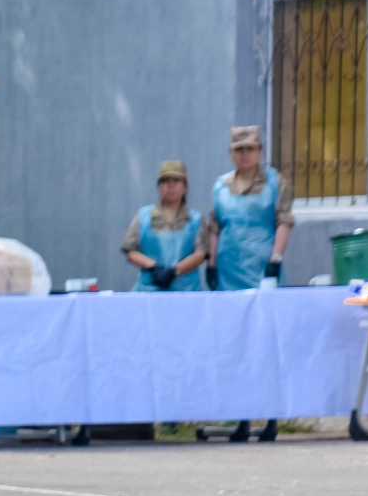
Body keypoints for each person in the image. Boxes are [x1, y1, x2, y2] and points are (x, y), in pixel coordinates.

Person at [206, 125, 294, 443]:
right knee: (234, 345)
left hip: (262, 270)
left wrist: (276, 259)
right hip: (228, 271)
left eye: (250, 148)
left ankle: (270, 418)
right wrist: (211, 263)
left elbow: (284, 220)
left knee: (265, 342)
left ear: (260, 151)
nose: (244, 154)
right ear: (231, 153)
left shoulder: (276, 182)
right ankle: (241, 419)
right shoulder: (220, 186)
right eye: (238, 149)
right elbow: (215, 225)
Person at [122, 160, 206, 291]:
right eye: (165, 181)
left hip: (187, 294)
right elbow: (130, 251)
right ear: (158, 186)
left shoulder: (196, 219)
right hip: (148, 291)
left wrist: (174, 272)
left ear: (185, 187)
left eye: (176, 180)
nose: (170, 185)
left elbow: (200, 254)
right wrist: (153, 267)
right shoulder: (143, 216)